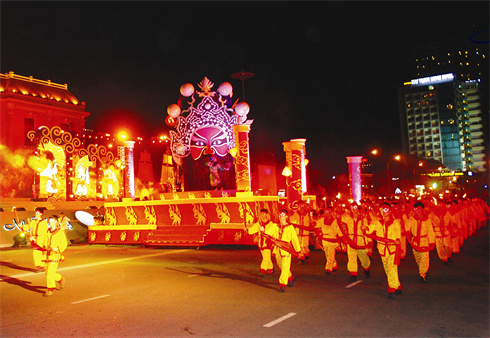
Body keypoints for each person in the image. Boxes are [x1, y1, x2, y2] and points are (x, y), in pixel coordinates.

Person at [363, 203, 402, 299]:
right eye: (382, 210)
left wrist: (397, 239)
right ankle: (397, 286)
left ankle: (392, 289)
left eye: (386, 209)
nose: (384, 212)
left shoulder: (395, 222)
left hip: (392, 248)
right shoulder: (378, 222)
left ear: (390, 210)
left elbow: (398, 233)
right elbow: (370, 228)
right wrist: (365, 228)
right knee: (387, 269)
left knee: (392, 269)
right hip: (382, 249)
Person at [263, 209, 303, 292]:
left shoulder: (290, 227)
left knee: (285, 266)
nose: (281, 216)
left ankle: (282, 284)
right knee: (281, 265)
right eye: (280, 215)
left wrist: (298, 251)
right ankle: (290, 277)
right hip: (278, 249)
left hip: (286, 249)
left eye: (283, 215)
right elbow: (268, 233)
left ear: (286, 216)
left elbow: (294, 239)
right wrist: (263, 230)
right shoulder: (275, 226)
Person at [339, 202, 371, 282]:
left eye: (355, 207)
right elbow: (341, 224)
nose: (354, 209)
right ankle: (353, 274)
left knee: (364, 259)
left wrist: (369, 241)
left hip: (361, 241)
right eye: (352, 207)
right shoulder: (346, 217)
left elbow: (368, 230)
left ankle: (366, 268)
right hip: (351, 239)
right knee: (351, 257)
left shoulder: (363, 218)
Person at [405, 202, 435, 283]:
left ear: (421, 209)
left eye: (417, 208)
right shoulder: (412, 219)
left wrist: (432, 242)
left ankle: (422, 274)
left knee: (424, 258)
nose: (415, 210)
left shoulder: (427, 220)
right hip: (414, 242)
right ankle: (423, 270)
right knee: (418, 259)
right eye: (414, 208)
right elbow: (407, 228)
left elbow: (430, 231)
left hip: (424, 241)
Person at [245, 209, 275, 277]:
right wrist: (247, 230)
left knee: (265, 258)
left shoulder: (271, 224)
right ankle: (270, 269)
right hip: (261, 243)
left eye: (264, 214)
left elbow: (272, 232)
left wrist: (265, 231)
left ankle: (262, 270)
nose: (262, 215)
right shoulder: (259, 223)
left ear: (267, 214)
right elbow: (253, 229)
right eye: (261, 214)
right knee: (266, 257)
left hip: (268, 243)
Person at [43, 215, 68, 297]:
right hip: (47, 255)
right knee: (47, 272)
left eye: (52, 221)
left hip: (55, 254)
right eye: (49, 221)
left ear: (56, 222)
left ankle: (50, 289)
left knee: (50, 273)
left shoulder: (60, 232)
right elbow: (43, 242)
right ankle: (60, 279)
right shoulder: (47, 232)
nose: (50, 222)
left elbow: (64, 243)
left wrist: (57, 248)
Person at [316, 207, 342, 274]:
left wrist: (340, 240)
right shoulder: (322, 220)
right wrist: (312, 223)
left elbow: (339, 231)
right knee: (327, 254)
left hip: (332, 239)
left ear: (332, 212)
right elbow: (316, 225)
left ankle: (328, 268)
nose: (328, 213)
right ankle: (334, 265)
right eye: (326, 211)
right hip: (325, 239)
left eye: (329, 211)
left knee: (330, 253)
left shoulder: (336, 221)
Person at [23, 207, 49, 272]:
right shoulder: (34, 222)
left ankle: (42, 265)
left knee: (42, 252)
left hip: (42, 238)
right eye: (35, 212)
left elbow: (45, 232)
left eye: (37, 213)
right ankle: (39, 266)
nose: (36, 214)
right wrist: (21, 226)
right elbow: (27, 227)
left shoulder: (44, 222)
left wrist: (46, 241)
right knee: (36, 252)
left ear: (41, 214)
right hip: (35, 239)